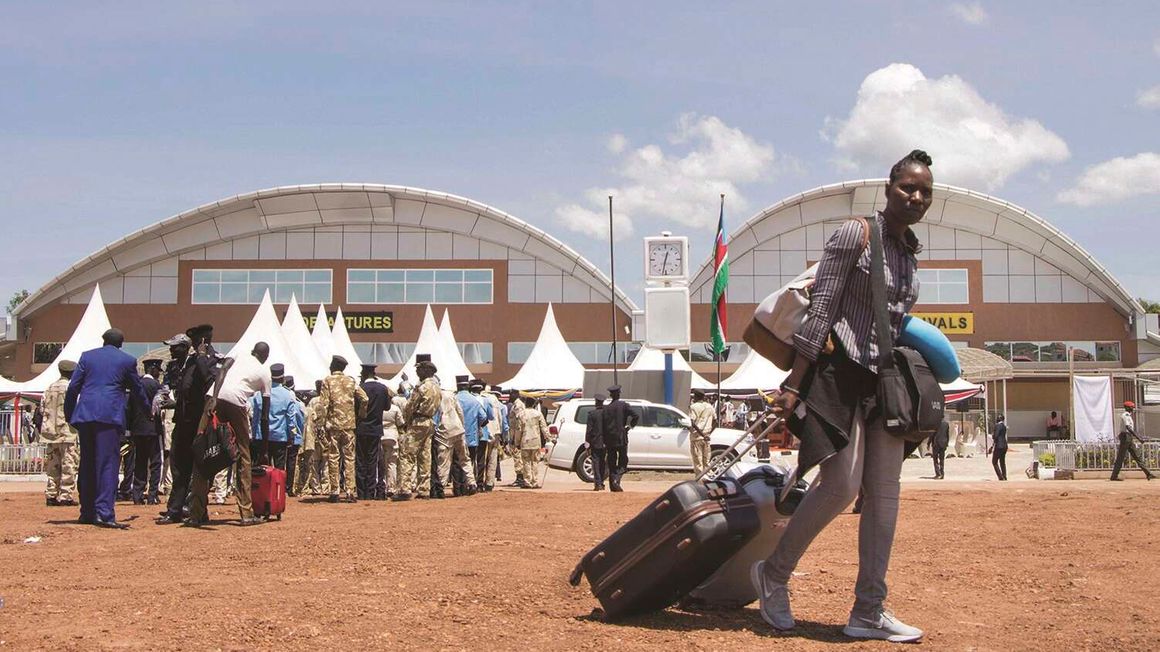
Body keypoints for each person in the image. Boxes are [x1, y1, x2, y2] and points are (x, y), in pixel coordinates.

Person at [751, 150, 933, 643]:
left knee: (885, 500)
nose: (916, 197)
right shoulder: (857, 234)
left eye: (924, 192)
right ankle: (774, 573)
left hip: (885, 385)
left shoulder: (909, 251)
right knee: (841, 487)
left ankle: (868, 610)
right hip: (840, 374)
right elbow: (822, 308)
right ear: (889, 188)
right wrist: (794, 384)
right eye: (907, 188)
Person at [63, 328, 149, 529]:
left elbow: (73, 387)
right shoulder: (126, 360)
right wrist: (147, 411)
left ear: (103, 341)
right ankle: (104, 513)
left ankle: (87, 511)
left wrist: (70, 414)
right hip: (109, 415)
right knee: (107, 464)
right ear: (121, 344)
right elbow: (137, 389)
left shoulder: (87, 357)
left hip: (86, 414)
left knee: (87, 464)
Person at [187, 342, 272, 526]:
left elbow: (222, 370)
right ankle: (246, 513)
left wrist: (215, 398)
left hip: (212, 397)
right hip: (236, 403)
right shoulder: (265, 373)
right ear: (265, 357)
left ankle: (196, 513)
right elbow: (265, 415)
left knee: (202, 449)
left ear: (252, 351)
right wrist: (264, 447)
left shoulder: (240, 353)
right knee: (243, 456)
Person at [157, 327, 215, 525]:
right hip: (182, 422)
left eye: (176, 348)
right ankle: (175, 509)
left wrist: (201, 357)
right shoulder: (180, 366)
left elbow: (210, 381)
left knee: (199, 469)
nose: (172, 351)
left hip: (198, 423)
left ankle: (198, 510)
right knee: (179, 467)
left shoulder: (206, 361)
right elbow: (182, 393)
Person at [314, 355, 368, 503]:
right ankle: (350, 491)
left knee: (333, 457)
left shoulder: (328, 381)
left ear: (333, 366)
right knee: (350, 458)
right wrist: (360, 415)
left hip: (334, 426)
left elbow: (323, 404)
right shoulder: (351, 381)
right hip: (349, 426)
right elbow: (365, 398)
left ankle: (335, 491)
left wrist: (320, 424)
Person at [397, 354, 440, 501]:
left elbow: (410, 406)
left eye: (419, 369)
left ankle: (405, 489)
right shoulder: (436, 387)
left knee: (407, 455)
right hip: (429, 422)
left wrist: (406, 420)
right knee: (425, 456)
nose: (417, 372)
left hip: (417, 422)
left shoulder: (422, 387)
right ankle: (424, 489)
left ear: (426, 370)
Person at [250, 364, 304, 471]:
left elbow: (255, 417)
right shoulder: (287, 394)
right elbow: (291, 420)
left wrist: (254, 435)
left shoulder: (259, 394)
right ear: (282, 378)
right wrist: (292, 436)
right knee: (279, 470)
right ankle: (278, 488)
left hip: (262, 437)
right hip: (280, 438)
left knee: (263, 469)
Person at [41, 359, 79, 507]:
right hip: (67, 431)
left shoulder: (49, 387)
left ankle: (51, 494)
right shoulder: (71, 388)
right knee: (69, 463)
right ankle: (65, 495)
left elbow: (43, 408)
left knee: (53, 464)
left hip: (50, 432)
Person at [127, 359, 164, 505]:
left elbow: (129, 408)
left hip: (138, 429)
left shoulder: (136, 385)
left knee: (140, 462)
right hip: (153, 429)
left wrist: (130, 428)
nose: (158, 374)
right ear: (152, 369)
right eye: (157, 370)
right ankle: (152, 495)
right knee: (155, 463)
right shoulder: (156, 385)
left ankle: (137, 494)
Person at [355, 364, 390, 500]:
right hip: (375, 429)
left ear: (364, 374)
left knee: (360, 461)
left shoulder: (360, 389)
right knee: (372, 461)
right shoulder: (382, 388)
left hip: (361, 428)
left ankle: (361, 492)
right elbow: (387, 407)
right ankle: (370, 492)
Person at [437, 379, 473, 497]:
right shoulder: (451, 395)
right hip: (458, 428)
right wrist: (462, 427)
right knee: (464, 458)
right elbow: (460, 412)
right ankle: (472, 483)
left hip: (444, 431)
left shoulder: (435, 395)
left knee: (444, 461)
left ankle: (441, 486)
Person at [601, 385, 639, 492]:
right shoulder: (624, 405)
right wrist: (629, 427)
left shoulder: (606, 408)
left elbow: (604, 425)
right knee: (623, 463)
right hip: (621, 438)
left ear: (611, 395)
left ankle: (613, 486)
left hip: (609, 439)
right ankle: (616, 480)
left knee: (611, 462)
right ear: (619, 394)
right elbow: (636, 416)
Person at [1110, 401, 1155, 481]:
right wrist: (1139, 438)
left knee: (1137, 456)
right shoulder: (1125, 415)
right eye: (1131, 407)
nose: (1133, 408)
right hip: (1125, 437)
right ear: (1127, 407)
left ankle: (1148, 474)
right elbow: (1128, 428)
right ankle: (1114, 476)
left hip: (1128, 437)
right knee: (1121, 457)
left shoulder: (1129, 416)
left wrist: (1137, 437)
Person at [517, 395, 552, 488]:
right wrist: (549, 438)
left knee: (526, 462)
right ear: (533, 404)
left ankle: (527, 481)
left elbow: (519, 430)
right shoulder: (538, 414)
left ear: (525, 403)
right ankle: (535, 481)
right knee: (535, 461)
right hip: (536, 441)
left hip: (525, 441)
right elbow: (544, 428)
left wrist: (516, 442)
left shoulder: (521, 414)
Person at [379, 392, 406, 499]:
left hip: (380, 435)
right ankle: (391, 488)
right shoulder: (395, 408)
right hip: (392, 436)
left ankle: (381, 486)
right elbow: (400, 422)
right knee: (392, 463)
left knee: (380, 463)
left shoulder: (379, 408)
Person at [481, 382, 507, 491]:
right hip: (495, 433)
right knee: (492, 459)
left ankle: (479, 481)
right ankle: (489, 483)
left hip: (484, 433)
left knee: (482, 459)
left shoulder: (481, 399)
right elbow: (503, 422)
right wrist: (504, 437)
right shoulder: (499, 404)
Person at [688, 389, 715, 477]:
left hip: (696, 438)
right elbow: (715, 420)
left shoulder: (693, 407)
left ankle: (700, 482)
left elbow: (692, 423)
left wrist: (702, 434)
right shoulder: (709, 406)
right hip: (707, 437)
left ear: (696, 396)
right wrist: (708, 434)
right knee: (706, 462)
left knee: (698, 462)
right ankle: (708, 481)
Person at [585, 393, 607, 490]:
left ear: (596, 403)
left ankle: (597, 483)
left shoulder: (592, 414)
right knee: (602, 462)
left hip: (595, 441)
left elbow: (589, 430)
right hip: (605, 442)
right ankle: (601, 482)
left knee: (596, 463)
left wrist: (587, 443)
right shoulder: (607, 413)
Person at [506, 388, 526, 487]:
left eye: (511, 395)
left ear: (515, 395)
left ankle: (520, 478)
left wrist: (516, 439)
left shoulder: (518, 405)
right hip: (514, 433)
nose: (510, 397)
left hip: (516, 435)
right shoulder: (515, 404)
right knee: (517, 457)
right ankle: (520, 477)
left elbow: (519, 422)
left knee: (518, 457)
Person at [991, 415, 1009, 481]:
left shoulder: (997, 425)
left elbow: (996, 436)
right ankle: (1004, 476)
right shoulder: (1004, 426)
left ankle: (1000, 477)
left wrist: (993, 435)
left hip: (999, 446)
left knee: (994, 462)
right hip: (1004, 446)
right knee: (1002, 461)